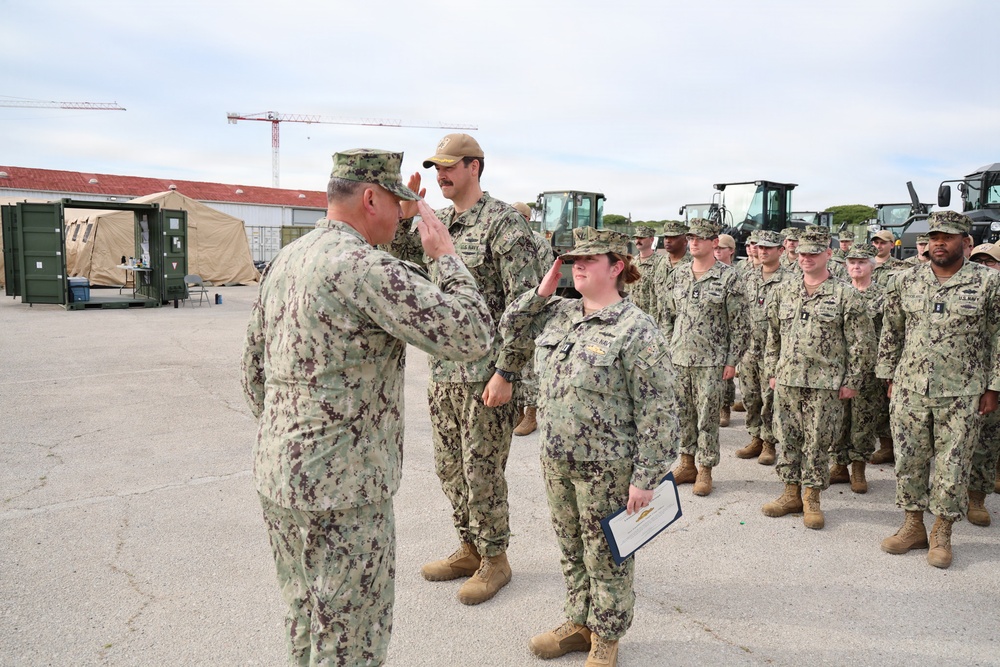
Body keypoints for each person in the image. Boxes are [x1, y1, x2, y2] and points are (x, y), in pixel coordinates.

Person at [241, 149, 494, 665]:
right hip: (346, 493)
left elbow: (253, 374)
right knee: (352, 639)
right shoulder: (366, 268)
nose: (403, 213)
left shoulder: (289, 258)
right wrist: (445, 256)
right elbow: (473, 333)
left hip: (279, 477)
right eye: (396, 202)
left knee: (306, 619)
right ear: (371, 197)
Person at [499, 226, 678, 667]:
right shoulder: (559, 313)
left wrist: (645, 479)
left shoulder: (637, 329)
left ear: (616, 267)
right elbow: (511, 325)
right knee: (570, 547)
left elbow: (659, 410)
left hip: (608, 467)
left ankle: (607, 637)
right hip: (558, 459)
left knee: (607, 557)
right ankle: (578, 620)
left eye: (589, 259)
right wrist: (542, 290)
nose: (577, 264)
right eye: (573, 258)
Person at [388, 133, 544, 605]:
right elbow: (403, 255)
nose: (441, 174)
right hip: (445, 373)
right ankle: (470, 546)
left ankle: (495, 559)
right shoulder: (445, 221)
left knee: (483, 472)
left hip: (486, 375)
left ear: (475, 166)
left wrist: (508, 371)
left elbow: (528, 304)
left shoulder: (503, 224)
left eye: (449, 166)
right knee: (450, 468)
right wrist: (406, 213)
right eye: (436, 168)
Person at [877, 211, 1000, 568]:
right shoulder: (907, 280)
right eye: (934, 237)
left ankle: (942, 532)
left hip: (963, 391)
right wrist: (888, 374)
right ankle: (913, 525)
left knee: (954, 464)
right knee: (909, 458)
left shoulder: (987, 283)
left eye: (948, 237)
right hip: (910, 386)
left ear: (965, 241)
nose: (939, 243)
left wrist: (994, 386)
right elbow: (892, 329)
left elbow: (997, 337)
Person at [762, 229, 874, 529]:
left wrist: (852, 380)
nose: (807, 258)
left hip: (825, 383)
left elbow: (861, 342)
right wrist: (772, 371)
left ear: (828, 254)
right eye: (802, 253)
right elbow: (772, 336)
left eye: (814, 253)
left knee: (818, 442)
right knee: (787, 438)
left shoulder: (845, 295)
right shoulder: (783, 291)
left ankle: (811, 498)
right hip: (788, 380)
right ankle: (790, 493)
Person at [660, 219, 748, 496]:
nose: (694, 242)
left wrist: (732, 360)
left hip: (712, 360)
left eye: (701, 237)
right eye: (691, 237)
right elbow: (667, 316)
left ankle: (705, 468)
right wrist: (665, 352)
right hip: (679, 357)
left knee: (707, 418)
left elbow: (740, 324)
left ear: (714, 243)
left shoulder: (729, 277)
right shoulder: (678, 274)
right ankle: (686, 463)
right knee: (682, 415)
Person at [829, 243, 886, 493]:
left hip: (869, 369)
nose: (856, 266)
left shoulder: (883, 296)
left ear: (871, 266)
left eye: (861, 262)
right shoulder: (837, 293)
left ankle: (858, 467)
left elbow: (889, 333)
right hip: (839, 366)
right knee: (839, 418)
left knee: (864, 419)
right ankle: (839, 465)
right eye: (851, 262)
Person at [735, 230, 787, 466]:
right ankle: (755, 436)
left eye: (768, 247)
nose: (762, 251)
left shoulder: (790, 280)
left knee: (770, 398)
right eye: (760, 247)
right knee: (750, 396)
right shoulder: (748, 277)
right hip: (749, 348)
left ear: (781, 250)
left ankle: (769, 443)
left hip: (773, 350)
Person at [511, 201, 555, 437]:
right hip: (513, 310)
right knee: (513, 360)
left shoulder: (539, 243)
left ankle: (531, 414)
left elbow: (548, 278)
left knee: (532, 366)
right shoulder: (508, 240)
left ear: (527, 219)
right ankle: (516, 410)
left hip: (534, 310)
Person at [968, 242, 1000, 525]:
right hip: (968, 379)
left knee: (987, 443)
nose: (983, 266)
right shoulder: (971, 293)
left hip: (994, 379)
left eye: (989, 262)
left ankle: (977, 496)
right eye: (978, 260)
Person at [714, 233, 738, 426]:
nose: (717, 252)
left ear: (731, 250)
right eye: (716, 248)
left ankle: (725, 406)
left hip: (732, 327)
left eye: (721, 248)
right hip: (716, 331)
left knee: (728, 373)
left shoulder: (737, 275)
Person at [628, 225, 665, 318]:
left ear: (652, 239)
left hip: (652, 315)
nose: (638, 241)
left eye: (642, 238)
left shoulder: (661, 262)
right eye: (636, 238)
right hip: (633, 314)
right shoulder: (632, 262)